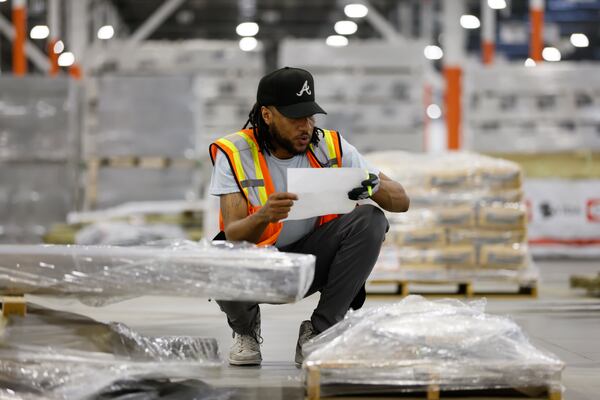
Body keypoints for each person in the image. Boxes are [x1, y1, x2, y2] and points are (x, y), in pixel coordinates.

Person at [208, 66, 409, 367]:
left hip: (311, 264)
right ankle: (245, 330)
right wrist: (264, 215)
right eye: (295, 118)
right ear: (267, 115)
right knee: (217, 254)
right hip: (258, 266)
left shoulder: (329, 145)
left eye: (310, 116)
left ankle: (319, 331)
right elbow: (235, 233)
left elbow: (401, 201)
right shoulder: (235, 152)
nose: (306, 126)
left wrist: (372, 185)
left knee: (371, 218)